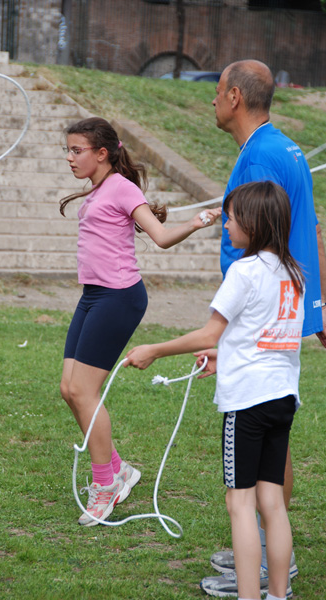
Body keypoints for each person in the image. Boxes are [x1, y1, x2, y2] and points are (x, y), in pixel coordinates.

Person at [125, 180, 304, 600]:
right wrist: (225, 357)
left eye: (233, 217)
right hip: (282, 399)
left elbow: (210, 331)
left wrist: (154, 349)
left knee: (239, 504)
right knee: (272, 503)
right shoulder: (294, 273)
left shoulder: (243, 271)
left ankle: (247, 595)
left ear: (255, 224)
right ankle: (278, 595)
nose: (226, 224)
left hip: (248, 403)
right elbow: (273, 338)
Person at [201, 58, 326, 597]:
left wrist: (220, 329)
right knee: (275, 436)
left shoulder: (261, 160)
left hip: (256, 318)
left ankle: (261, 564)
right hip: (286, 310)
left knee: (256, 464)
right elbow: (312, 229)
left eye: (215, 93)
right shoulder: (284, 146)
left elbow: (257, 245)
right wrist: (318, 306)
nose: (210, 102)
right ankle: (271, 556)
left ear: (233, 96)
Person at [59, 116, 221, 527]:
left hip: (119, 297)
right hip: (93, 295)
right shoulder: (101, 189)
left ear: (102, 153)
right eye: (68, 149)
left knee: (84, 390)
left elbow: (161, 237)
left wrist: (199, 221)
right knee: (69, 389)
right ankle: (119, 470)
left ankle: (105, 486)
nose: (70, 157)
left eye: (77, 150)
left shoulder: (123, 188)